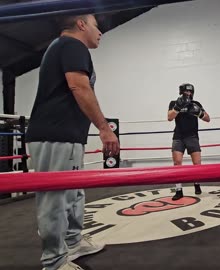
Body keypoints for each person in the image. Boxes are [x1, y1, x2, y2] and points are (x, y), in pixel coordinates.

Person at [25, 14, 119, 270]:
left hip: (66, 135)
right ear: (81, 24)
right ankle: (54, 261)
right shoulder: (71, 45)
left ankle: (73, 242)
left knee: (74, 194)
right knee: (55, 198)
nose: (100, 32)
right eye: (96, 26)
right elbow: (79, 87)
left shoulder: (65, 47)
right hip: (54, 134)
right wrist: (104, 127)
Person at [167, 83, 210, 200]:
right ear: (182, 92)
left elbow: (208, 118)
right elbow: (169, 117)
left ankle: (197, 183)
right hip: (178, 136)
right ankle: (178, 190)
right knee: (177, 163)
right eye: (186, 91)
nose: (189, 94)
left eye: (190, 92)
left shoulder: (196, 104)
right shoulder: (174, 103)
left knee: (197, 164)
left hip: (192, 136)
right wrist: (177, 108)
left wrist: (199, 113)